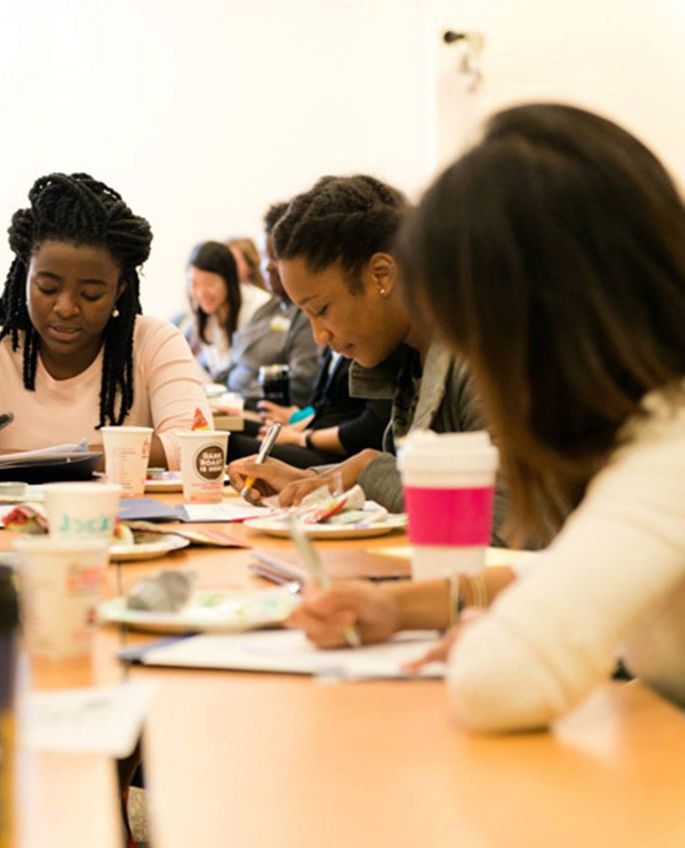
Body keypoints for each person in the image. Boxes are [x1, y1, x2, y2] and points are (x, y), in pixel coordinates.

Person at [284, 104, 685, 733]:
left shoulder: (668, 451)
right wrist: (401, 607)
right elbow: (581, 563)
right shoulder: (650, 423)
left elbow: (497, 682)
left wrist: (488, 637)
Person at [225, 175, 502, 541]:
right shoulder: (411, 362)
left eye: (321, 310)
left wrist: (369, 468)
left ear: (381, 275)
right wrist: (312, 481)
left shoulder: (484, 361)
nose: (319, 336)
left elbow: (504, 526)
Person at [0, 173, 210, 470]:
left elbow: (194, 445)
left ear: (118, 290)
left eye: (90, 294)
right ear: (25, 277)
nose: (66, 308)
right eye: (47, 288)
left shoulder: (153, 343)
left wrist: (41, 462)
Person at [224, 201, 320, 407]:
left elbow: (301, 383)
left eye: (273, 257)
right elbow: (234, 360)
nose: (267, 267)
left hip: (260, 408)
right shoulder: (270, 307)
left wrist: (240, 400)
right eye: (263, 256)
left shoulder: (306, 313)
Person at [260, 347, 390, 468]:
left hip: (338, 454)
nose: (319, 337)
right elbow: (322, 408)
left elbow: (367, 431)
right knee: (255, 433)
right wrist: (290, 430)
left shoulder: (373, 352)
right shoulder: (334, 351)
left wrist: (299, 438)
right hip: (319, 436)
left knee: (250, 447)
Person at [182, 240, 266, 380]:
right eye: (194, 283)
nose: (201, 293)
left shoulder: (258, 308)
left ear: (229, 280)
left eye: (209, 283)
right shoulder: (204, 315)